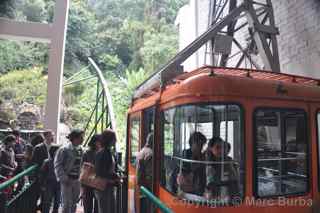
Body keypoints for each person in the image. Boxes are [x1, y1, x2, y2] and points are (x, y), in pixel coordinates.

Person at [54, 129, 84, 213]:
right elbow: (58, 164)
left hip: (77, 180)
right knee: (66, 203)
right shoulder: (64, 149)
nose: (83, 139)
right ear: (75, 138)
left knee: (74, 203)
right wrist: (63, 178)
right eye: (81, 137)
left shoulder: (81, 150)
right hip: (67, 179)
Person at [205, 137, 239, 202]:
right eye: (217, 147)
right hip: (214, 198)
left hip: (229, 196)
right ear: (211, 148)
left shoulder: (228, 160)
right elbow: (209, 183)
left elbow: (235, 178)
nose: (221, 150)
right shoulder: (207, 162)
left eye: (222, 147)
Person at [94, 129, 120, 213]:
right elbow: (99, 172)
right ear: (109, 139)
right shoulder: (103, 153)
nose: (115, 140)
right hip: (103, 187)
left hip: (108, 186)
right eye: (114, 138)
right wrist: (114, 176)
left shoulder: (108, 151)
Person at [176, 132, 207, 196]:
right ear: (192, 144)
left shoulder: (202, 155)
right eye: (198, 144)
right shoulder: (185, 154)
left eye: (202, 145)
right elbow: (186, 170)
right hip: (186, 187)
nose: (200, 147)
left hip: (199, 187)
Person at [81, 134, 101, 213]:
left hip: (97, 182)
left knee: (97, 206)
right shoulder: (87, 153)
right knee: (88, 205)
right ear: (95, 142)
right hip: (88, 181)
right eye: (100, 141)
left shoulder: (101, 152)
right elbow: (83, 167)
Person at [136, 133, 154, 213]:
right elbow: (150, 174)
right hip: (147, 187)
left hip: (140, 184)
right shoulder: (150, 153)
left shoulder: (141, 151)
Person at [41, 145, 61, 213]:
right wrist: (43, 185)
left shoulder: (60, 161)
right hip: (49, 184)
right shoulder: (47, 162)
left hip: (58, 184)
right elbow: (42, 174)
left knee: (57, 201)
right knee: (47, 202)